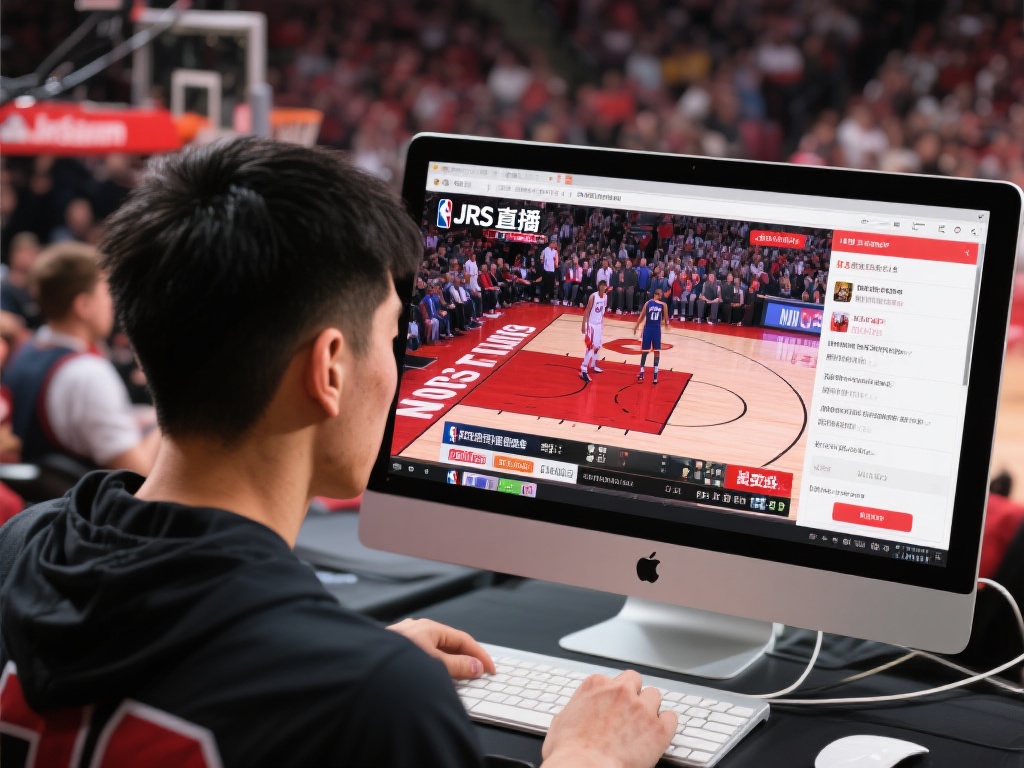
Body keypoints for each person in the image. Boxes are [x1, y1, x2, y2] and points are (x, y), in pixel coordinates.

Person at [0, 138, 675, 768]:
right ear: (328, 369)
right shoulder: (369, 700)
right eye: (390, 335)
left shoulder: (21, 546)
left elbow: (193, 677)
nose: (397, 367)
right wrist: (591, 755)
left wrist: (344, 651)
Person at [2, 241, 160, 474]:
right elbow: (139, 472)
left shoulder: (26, 352)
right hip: (84, 495)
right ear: (84, 305)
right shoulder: (88, 374)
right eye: (106, 293)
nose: (112, 304)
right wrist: (168, 420)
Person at [633, 287, 669, 384]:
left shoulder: (663, 305)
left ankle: (655, 374)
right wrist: (636, 326)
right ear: (656, 295)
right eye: (659, 294)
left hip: (655, 329)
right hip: (648, 329)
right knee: (645, 351)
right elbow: (642, 316)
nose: (660, 296)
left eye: (660, 294)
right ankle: (642, 372)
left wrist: (665, 324)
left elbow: (666, 319)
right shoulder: (648, 303)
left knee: (656, 351)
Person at [580, 280, 609, 383]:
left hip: (598, 325)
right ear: (599, 286)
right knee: (590, 347)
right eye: (601, 285)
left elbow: (602, 312)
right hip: (591, 325)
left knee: (598, 346)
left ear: (606, 287)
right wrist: (583, 324)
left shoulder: (605, 297)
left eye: (604, 286)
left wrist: (601, 324)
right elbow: (587, 310)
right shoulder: (593, 296)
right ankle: (583, 369)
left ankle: (593, 364)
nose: (602, 287)